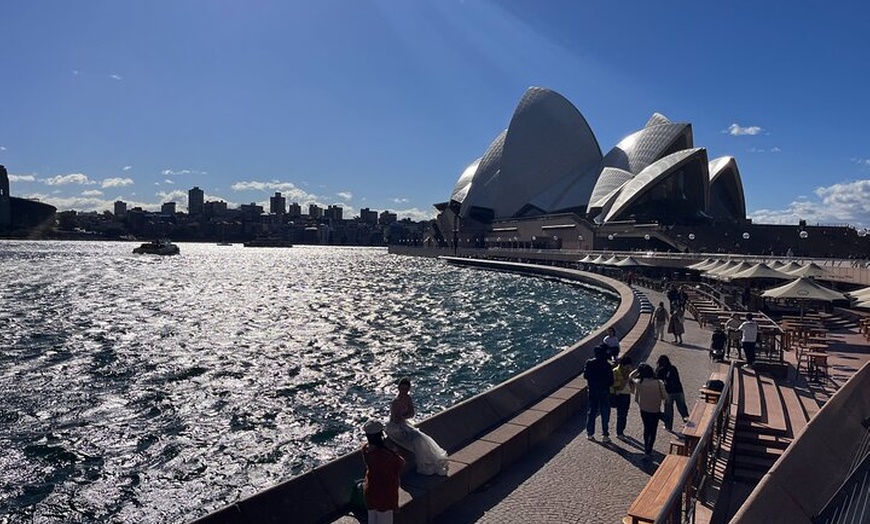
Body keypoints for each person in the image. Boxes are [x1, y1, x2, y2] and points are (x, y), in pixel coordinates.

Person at [384, 377, 449, 476]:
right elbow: (396, 419)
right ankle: (424, 463)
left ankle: (429, 461)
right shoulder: (395, 402)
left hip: (404, 424)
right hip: (395, 428)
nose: (404, 391)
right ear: (399, 388)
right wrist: (404, 416)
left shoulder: (408, 398)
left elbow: (412, 414)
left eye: (406, 389)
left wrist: (404, 416)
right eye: (402, 389)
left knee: (421, 437)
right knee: (416, 439)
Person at [362, 420, 405, 524]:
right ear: (380, 434)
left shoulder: (365, 449)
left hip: (370, 490)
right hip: (385, 493)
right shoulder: (385, 455)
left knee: (372, 520)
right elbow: (400, 463)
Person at [629, 363, 667, 457]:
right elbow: (664, 396)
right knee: (653, 429)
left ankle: (646, 448)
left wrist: (637, 369)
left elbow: (630, 376)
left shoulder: (639, 382)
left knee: (646, 428)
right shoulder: (658, 382)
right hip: (655, 409)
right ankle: (650, 448)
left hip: (644, 409)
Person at [583, 344, 614, 442]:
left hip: (593, 391)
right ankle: (605, 435)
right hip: (604, 391)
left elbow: (585, 376)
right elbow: (611, 381)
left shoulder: (589, 363)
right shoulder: (607, 365)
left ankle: (590, 433)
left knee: (592, 412)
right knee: (605, 413)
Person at [655, 355, 689, 431]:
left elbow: (656, 379)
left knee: (668, 410)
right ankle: (687, 422)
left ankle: (668, 426)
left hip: (668, 392)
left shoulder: (660, 371)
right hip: (678, 390)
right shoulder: (673, 368)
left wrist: (657, 370)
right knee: (682, 408)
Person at [611, 356, 634, 440]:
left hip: (627, 394)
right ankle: (619, 432)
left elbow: (633, 382)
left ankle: (621, 431)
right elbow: (612, 384)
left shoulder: (630, 372)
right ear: (623, 365)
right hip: (620, 395)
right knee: (621, 415)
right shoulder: (615, 371)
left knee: (625, 414)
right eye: (628, 366)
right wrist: (623, 382)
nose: (629, 367)